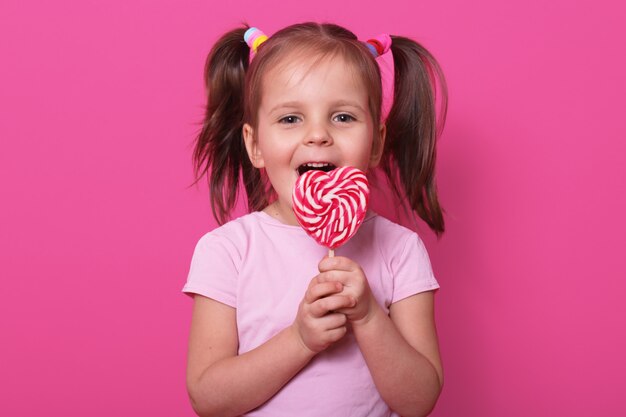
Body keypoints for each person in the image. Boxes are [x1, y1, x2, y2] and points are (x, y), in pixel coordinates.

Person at [183, 22, 448, 417]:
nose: (318, 135)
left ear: (375, 143)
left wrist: (369, 315)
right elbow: (208, 398)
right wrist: (300, 340)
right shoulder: (228, 251)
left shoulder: (400, 249)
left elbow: (419, 400)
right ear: (255, 145)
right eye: (291, 119)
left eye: (342, 117)